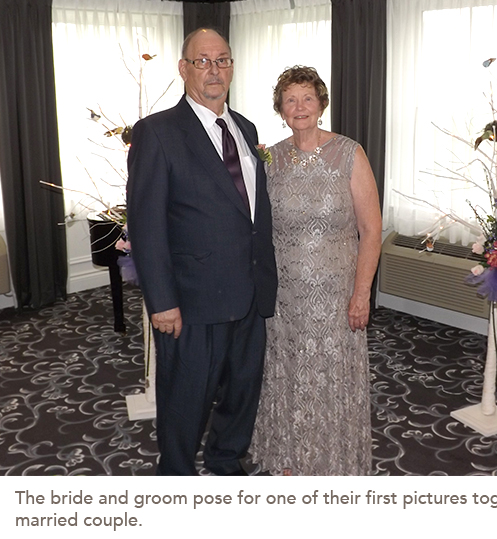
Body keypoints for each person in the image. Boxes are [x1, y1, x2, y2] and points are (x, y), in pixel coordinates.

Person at [126, 28, 277, 476]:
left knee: (242, 391)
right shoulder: (156, 132)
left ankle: (226, 460)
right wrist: (162, 302)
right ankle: (176, 476)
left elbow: (250, 213)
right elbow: (146, 224)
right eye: (203, 61)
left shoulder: (245, 128)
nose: (215, 70)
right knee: (186, 398)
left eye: (223, 60)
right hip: (192, 300)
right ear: (184, 69)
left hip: (250, 292)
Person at [250, 66, 382, 475]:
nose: (299, 106)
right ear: (281, 109)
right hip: (284, 297)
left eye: (307, 97)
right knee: (287, 376)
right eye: (290, 99)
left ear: (321, 103)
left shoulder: (349, 153)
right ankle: (289, 456)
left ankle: (331, 460)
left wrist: (361, 294)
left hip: (335, 297)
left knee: (329, 378)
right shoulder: (270, 158)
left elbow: (371, 231)